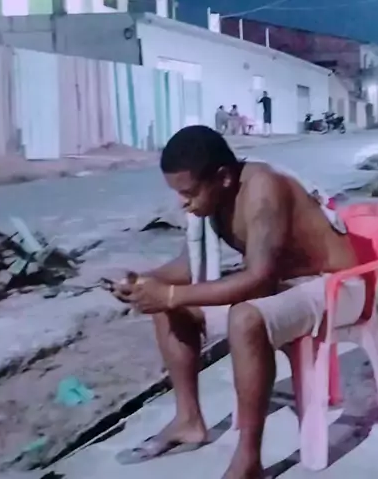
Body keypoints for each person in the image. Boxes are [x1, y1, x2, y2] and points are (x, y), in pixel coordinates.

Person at [111, 125, 365, 478]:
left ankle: (248, 461)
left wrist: (169, 293)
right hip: (287, 285)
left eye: (188, 193)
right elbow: (188, 267)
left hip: (338, 286)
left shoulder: (263, 189)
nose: (181, 202)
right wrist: (143, 282)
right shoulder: (212, 199)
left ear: (223, 177)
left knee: (245, 319)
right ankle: (188, 420)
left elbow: (258, 277)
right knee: (167, 306)